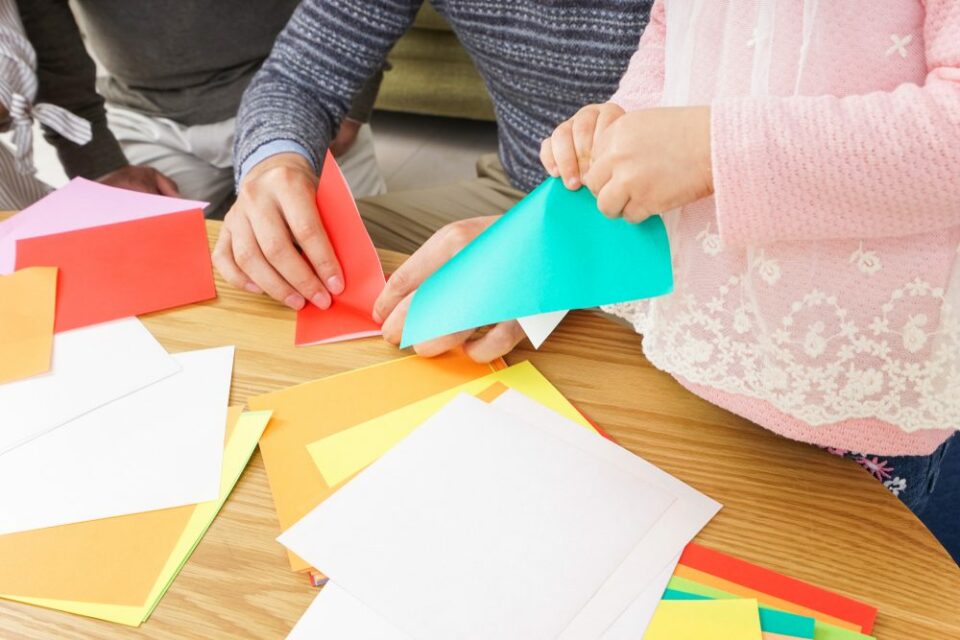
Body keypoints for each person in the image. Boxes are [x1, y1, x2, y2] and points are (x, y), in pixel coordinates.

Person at [374, 0, 960, 563]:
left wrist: (711, 148)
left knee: (867, 586)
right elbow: (672, 29)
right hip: (690, 354)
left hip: (860, 393)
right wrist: (628, 120)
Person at [219, 0, 654, 312]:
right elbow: (299, 77)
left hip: (674, 216)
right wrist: (275, 164)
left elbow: (713, 155)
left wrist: (541, 247)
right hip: (521, 185)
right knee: (292, 259)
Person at [18, 0, 386, 218]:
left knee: (370, 253)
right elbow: (50, 56)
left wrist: (350, 105)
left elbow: (360, 12)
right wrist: (101, 165)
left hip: (302, 97)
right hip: (146, 117)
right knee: (144, 275)